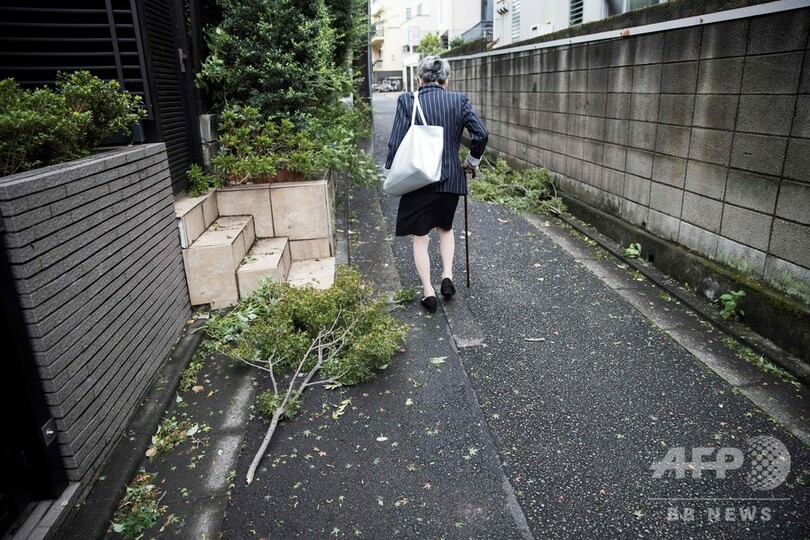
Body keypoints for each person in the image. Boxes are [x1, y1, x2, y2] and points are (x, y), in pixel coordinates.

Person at [384, 55, 488, 313]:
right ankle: (447, 277)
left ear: (420, 79)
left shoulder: (408, 100)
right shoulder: (458, 100)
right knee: (446, 229)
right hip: (451, 177)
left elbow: (396, 142)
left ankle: (428, 292)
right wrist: (471, 162)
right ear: (446, 80)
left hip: (418, 179)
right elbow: (481, 134)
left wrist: (390, 172)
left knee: (420, 238)